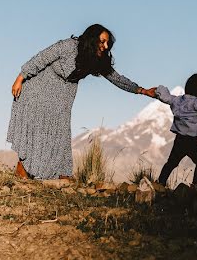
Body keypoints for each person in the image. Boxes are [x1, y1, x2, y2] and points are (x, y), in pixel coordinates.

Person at [8, 24, 156, 180]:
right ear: (92, 39)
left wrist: (141, 90)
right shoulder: (68, 46)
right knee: (37, 129)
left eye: (107, 43)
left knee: (60, 132)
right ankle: (23, 168)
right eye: (102, 41)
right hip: (40, 87)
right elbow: (42, 58)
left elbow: (116, 78)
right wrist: (20, 77)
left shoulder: (98, 60)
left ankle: (61, 173)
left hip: (63, 95)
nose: (105, 47)